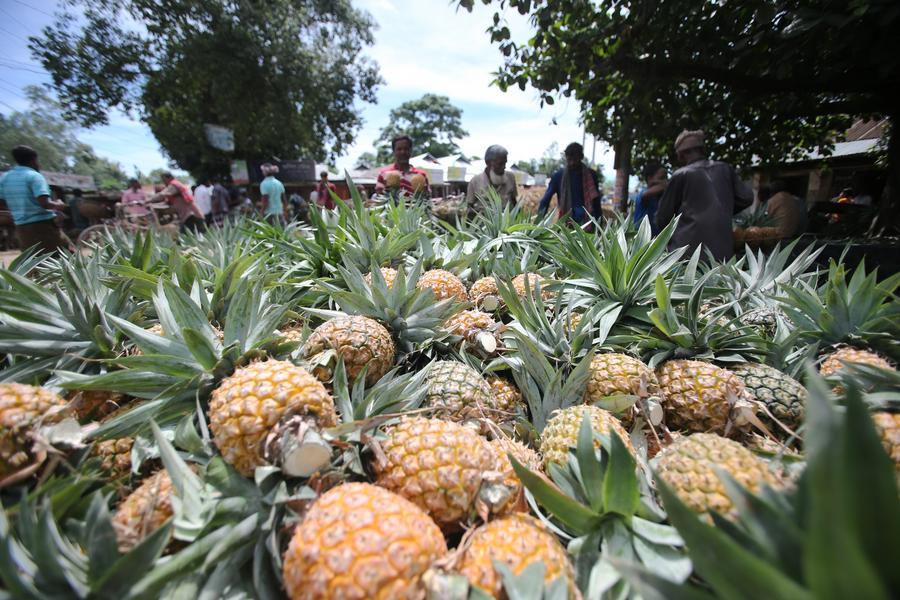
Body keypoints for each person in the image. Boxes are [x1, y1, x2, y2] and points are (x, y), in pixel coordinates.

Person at [655, 130, 752, 261]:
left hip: (686, 254)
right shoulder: (724, 169)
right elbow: (746, 198)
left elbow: (663, 217)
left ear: (681, 154)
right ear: (702, 149)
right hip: (722, 252)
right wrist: (722, 210)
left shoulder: (681, 175)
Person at [0, 145, 70, 254]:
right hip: (43, 226)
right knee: (67, 256)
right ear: (33, 160)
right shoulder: (34, 176)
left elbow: (2, 202)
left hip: (21, 228)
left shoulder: (5, 178)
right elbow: (44, 203)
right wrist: (59, 205)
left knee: (33, 262)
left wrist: (18, 210)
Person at [538, 142, 602, 226]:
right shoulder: (558, 177)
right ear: (566, 158)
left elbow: (596, 202)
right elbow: (545, 200)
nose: (572, 163)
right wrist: (539, 222)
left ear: (581, 157)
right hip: (566, 221)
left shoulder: (591, 176)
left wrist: (599, 223)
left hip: (587, 222)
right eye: (569, 160)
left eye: (575, 160)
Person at [466, 144, 518, 211]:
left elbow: (514, 202)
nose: (504, 167)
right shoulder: (475, 181)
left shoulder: (511, 177)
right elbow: (470, 206)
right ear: (488, 163)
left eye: (505, 163)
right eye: (500, 164)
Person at [633, 162, 667, 235]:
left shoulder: (660, 195)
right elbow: (645, 195)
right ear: (650, 178)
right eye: (661, 178)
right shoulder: (644, 193)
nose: (664, 180)